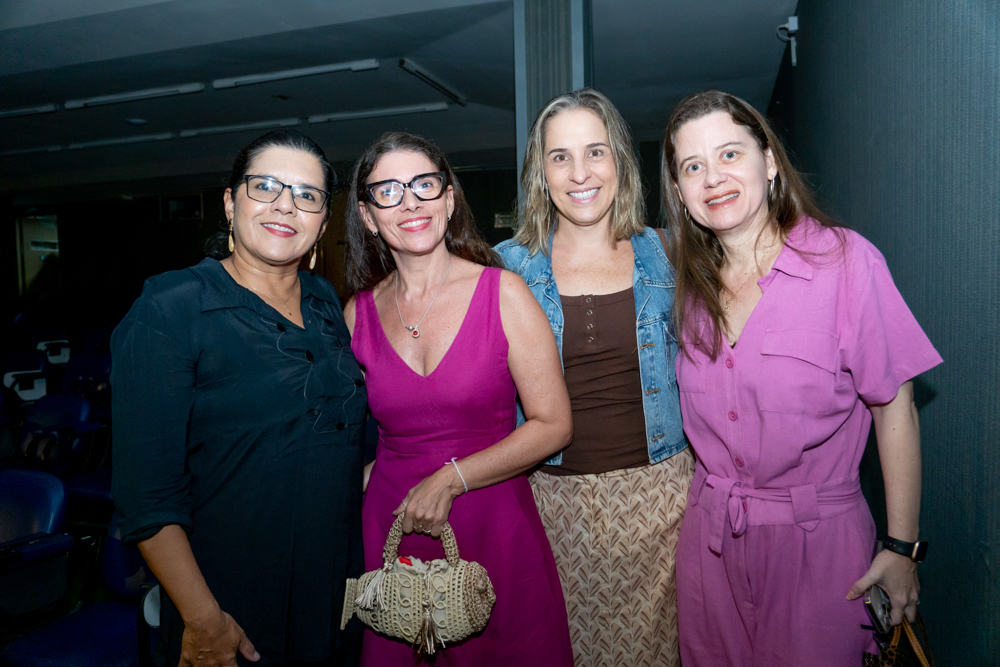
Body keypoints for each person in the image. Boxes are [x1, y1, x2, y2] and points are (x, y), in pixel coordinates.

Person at [661, 90, 942, 666]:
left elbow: (895, 407)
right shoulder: (690, 291)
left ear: (768, 162)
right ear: (681, 191)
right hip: (710, 550)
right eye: (693, 166)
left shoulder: (845, 262)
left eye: (730, 154)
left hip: (821, 549)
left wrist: (901, 547)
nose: (713, 178)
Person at [112, 130, 367, 667]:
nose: (285, 205)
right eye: (266, 186)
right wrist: (204, 621)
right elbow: (147, 496)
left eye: (307, 195)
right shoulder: (171, 307)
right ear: (231, 202)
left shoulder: (325, 302)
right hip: (230, 608)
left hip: (332, 596)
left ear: (323, 222)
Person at [343, 131, 574, 666]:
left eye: (424, 184)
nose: (410, 202)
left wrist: (451, 478)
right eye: (389, 191)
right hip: (393, 525)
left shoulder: (503, 293)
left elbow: (554, 424)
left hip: (491, 516)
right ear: (368, 216)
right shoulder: (356, 315)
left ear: (448, 200)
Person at [495, 88, 693, 667]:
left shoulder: (671, 252)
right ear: (540, 172)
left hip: (662, 504)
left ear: (620, 161)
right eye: (560, 157)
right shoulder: (504, 267)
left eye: (595, 152)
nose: (579, 173)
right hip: (546, 504)